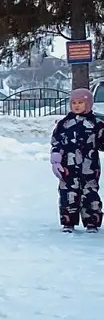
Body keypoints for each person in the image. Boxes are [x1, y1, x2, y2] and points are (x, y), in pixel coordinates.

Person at [50, 85, 102, 232]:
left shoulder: (96, 124)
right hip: (68, 166)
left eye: (80, 103)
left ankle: (92, 221)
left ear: (89, 104)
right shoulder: (64, 124)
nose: (77, 106)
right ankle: (68, 222)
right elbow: (57, 141)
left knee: (90, 194)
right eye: (74, 103)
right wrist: (56, 159)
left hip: (90, 167)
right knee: (68, 194)